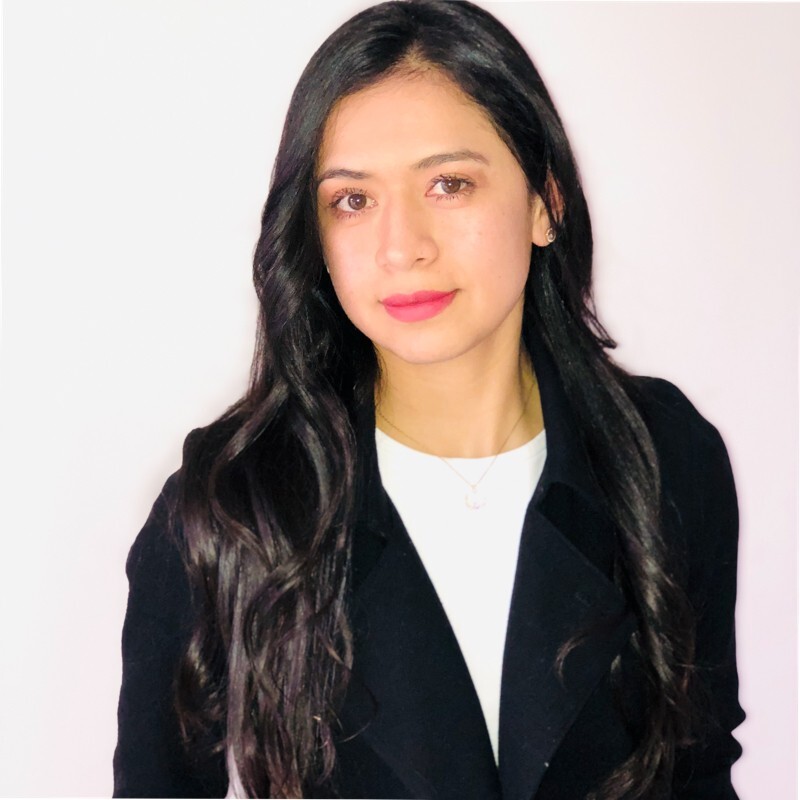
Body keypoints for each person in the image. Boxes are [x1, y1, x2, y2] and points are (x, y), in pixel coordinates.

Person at [112, 1, 745, 798]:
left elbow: (698, 768)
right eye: (352, 200)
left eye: (450, 184)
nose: (401, 246)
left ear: (545, 202)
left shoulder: (661, 457)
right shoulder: (232, 510)